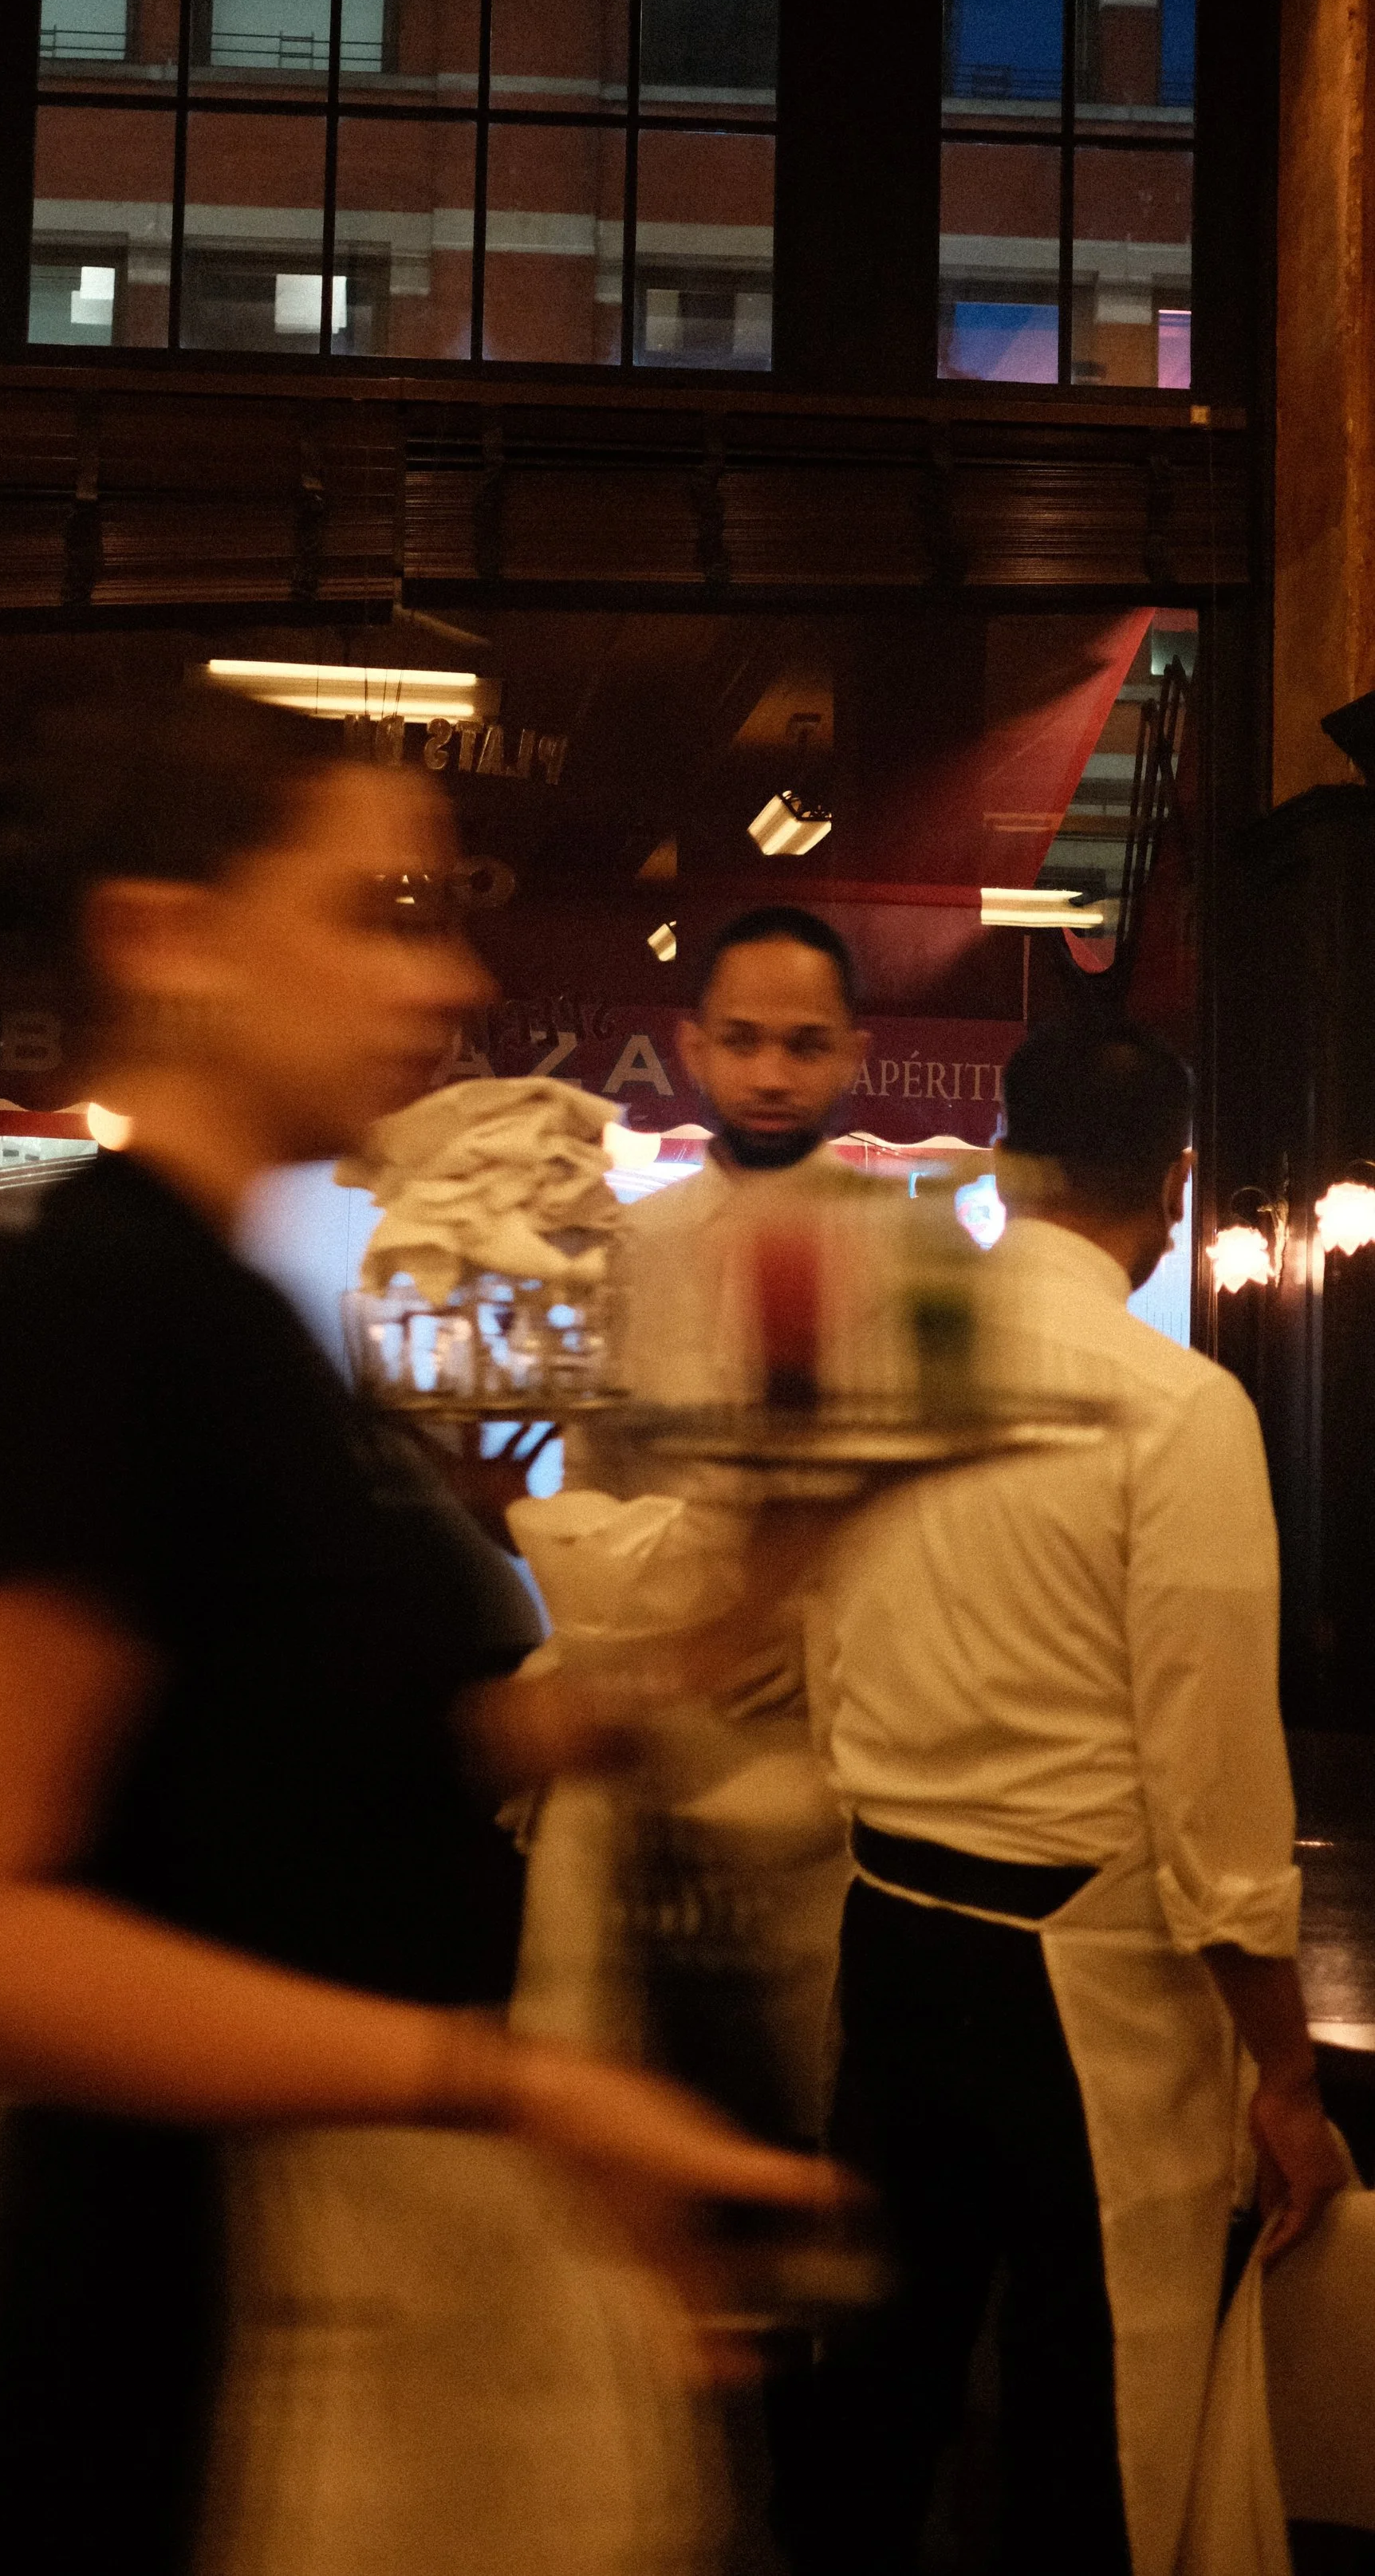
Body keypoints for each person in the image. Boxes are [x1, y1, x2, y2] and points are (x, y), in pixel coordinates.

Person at [0, 685, 841, 2576]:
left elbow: (321, 1763)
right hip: (196, 2320)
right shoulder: (96, 1303)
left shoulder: (247, 1321)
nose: (451, 973)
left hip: (345, 2288)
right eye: (383, 910)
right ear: (171, 936)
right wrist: (502, 2077)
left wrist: (736, 1613)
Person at [779, 1017, 1349, 2576]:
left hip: (885, 1928)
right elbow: (1211, 1772)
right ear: (1169, 1183)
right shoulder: (1174, 1405)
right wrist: (1284, 2080)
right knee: (1087, 2412)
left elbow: (824, 1641)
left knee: (875, 2387)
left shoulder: (891, 1356)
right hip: (1073, 1977)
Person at [551, 905, 869, 2140]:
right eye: (743, 1041)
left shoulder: (912, 1253)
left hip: (847, 1763)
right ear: (693, 1049)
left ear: (853, 1054)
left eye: (803, 1043)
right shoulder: (627, 1250)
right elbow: (586, 1498)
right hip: (662, 1742)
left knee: (827, 2109)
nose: (772, 1073)